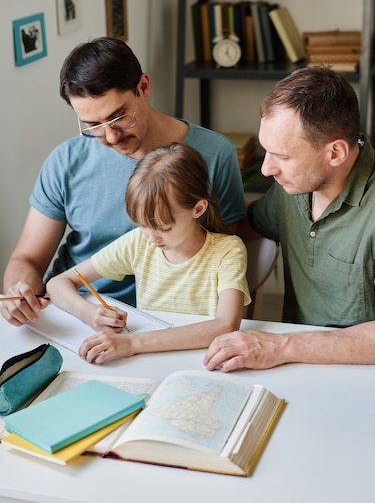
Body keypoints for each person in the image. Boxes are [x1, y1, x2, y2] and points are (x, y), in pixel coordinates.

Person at [2, 37, 246, 325]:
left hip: (168, 316)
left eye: (119, 117)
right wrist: (20, 294)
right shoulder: (65, 161)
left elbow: (225, 254)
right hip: (73, 310)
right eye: (93, 126)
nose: (111, 137)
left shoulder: (214, 154)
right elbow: (27, 259)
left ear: (143, 87)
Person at [204, 66, 375, 372]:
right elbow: (243, 226)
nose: (266, 169)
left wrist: (281, 345)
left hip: (371, 373)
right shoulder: (295, 186)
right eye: (267, 151)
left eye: (283, 156)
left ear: (335, 153)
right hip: (297, 366)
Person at [47, 143, 250, 364]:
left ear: (198, 209)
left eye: (164, 228)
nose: (152, 238)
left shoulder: (228, 251)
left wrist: (132, 343)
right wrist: (88, 313)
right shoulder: (138, 243)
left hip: (203, 363)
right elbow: (57, 284)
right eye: (142, 225)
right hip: (148, 362)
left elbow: (226, 325)